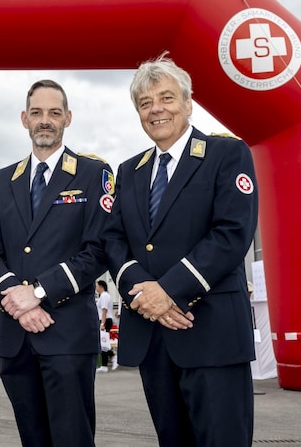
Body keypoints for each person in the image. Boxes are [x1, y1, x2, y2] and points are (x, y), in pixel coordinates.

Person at [103, 53, 258, 446]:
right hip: (153, 338)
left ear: (188, 103)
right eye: (145, 103)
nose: (156, 110)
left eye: (167, 98)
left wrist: (167, 291)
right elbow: (114, 239)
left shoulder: (227, 154)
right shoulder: (128, 171)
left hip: (212, 332)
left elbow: (232, 233)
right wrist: (142, 290)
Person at [0, 79, 113, 446]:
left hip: (67, 333)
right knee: (32, 439)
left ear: (68, 118)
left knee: (72, 438)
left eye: (54, 113)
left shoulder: (93, 174)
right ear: (24, 119)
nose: (45, 120)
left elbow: (98, 250)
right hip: (16, 336)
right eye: (37, 113)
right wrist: (19, 305)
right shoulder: (2, 180)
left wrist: (37, 293)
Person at [95, 280, 116, 372]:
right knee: (103, 342)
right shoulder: (103, 296)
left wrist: (102, 324)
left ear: (101, 286)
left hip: (105, 320)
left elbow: (104, 310)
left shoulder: (104, 296)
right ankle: (105, 364)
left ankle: (112, 356)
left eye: (97, 286)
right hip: (104, 320)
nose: (96, 288)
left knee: (103, 342)